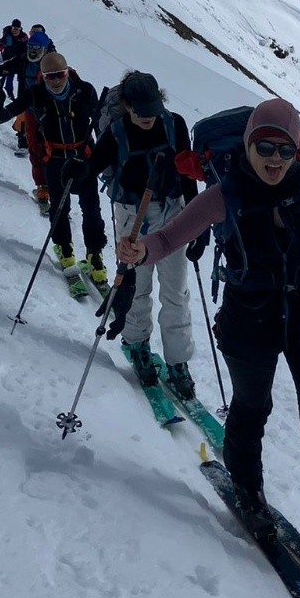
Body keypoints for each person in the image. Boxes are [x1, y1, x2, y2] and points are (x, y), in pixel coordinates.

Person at [116, 97, 300, 595]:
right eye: (263, 146)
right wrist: (141, 250)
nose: (274, 158)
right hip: (250, 316)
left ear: (298, 151)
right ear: (247, 145)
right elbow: (170, 238)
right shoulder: (225, 192)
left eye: (284, 149)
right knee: (252, 406)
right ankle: (248, 492)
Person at [89, 72, 198, 398]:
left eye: (153, 110)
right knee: (137, 286)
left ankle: (178, 361)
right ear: (126, 106)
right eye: (141, 112)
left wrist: (195, 221)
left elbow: (187, 174)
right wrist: (75, 172)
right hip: (131, 217)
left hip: (172, 212)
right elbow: (91, 168)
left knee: (176, 291)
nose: (148, 118)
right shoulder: (116, 133)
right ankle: (137, 344)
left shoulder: (174, 124)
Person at [0, 52, 109, 286]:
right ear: (43, 76)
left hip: (84, 159)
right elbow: (3, 116)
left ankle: (95, 254)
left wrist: (107, 159)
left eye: (60, 75)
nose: (55, 81)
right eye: (50, 76)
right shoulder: (35, 94)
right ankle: (65, 248)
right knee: (59, 206)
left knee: (92, 208)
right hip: (55, 158)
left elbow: (102, 126)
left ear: (68, 72)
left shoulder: (85, 90)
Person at [0, 25, 56, 192]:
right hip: (29, 107)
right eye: (30, 47)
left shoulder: (53, 63)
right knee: (35, 147)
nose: (32, 51)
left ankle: (49, 188)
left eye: (35, 48)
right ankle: (43, 189)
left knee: (48, 148)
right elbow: (1, 69)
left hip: (48, 112)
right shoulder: (24, 60)